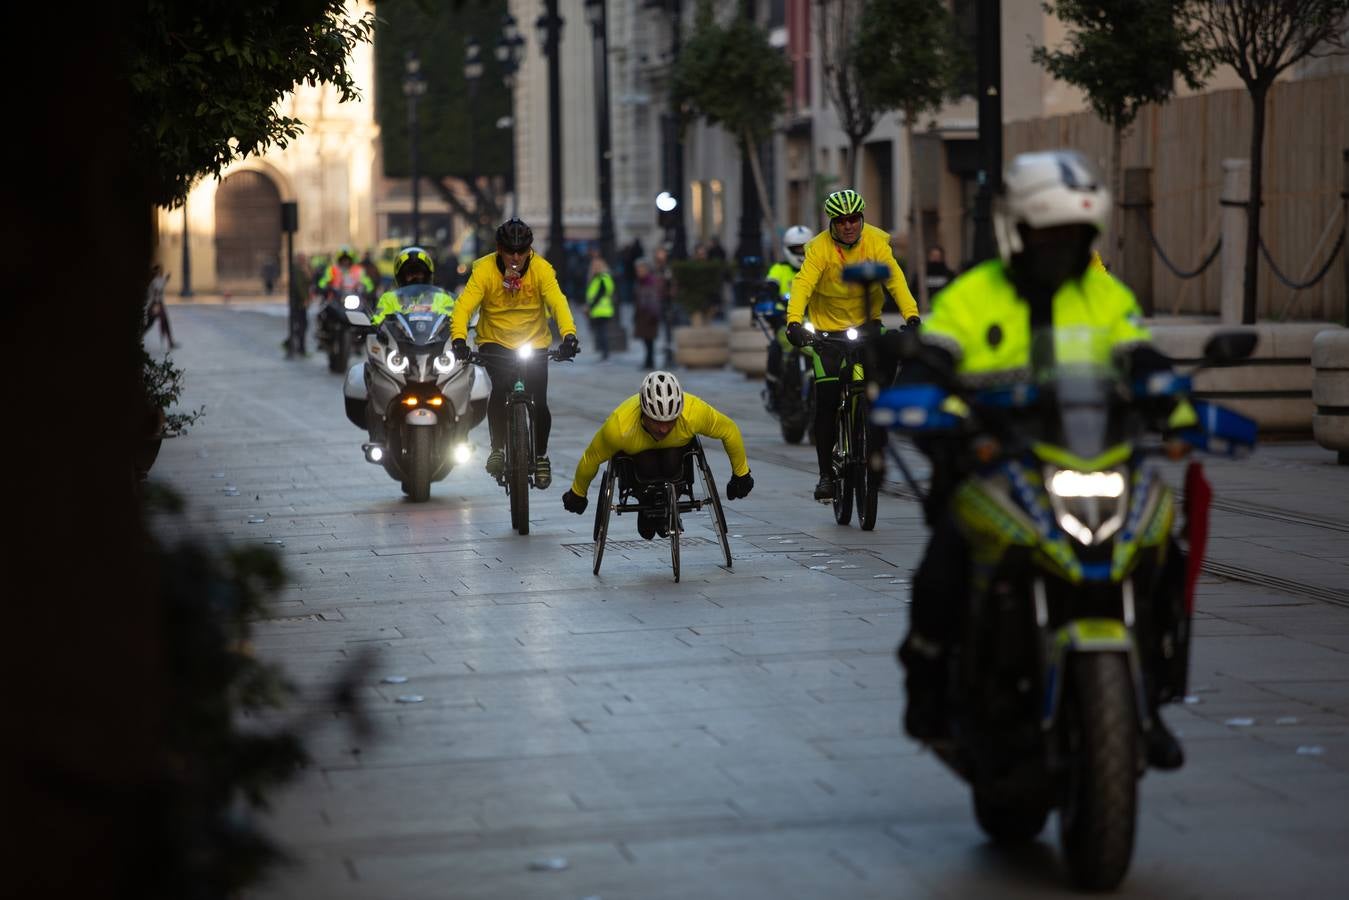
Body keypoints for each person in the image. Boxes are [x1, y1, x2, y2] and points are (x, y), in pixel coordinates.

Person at [892, 149, 1184, 770]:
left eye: (1075, 234)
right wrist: (919, 397)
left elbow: (1140, 356)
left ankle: (1152, 697)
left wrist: (1178, 410)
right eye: (1048, 233)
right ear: (1015, 231)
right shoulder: (973, 295)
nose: (1061, 246)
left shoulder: (1104, 297)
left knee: (1164, 548)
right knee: (944, 562)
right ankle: (927, 692)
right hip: (996, 466)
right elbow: (931, 358)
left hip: (1095, 458)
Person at [784, 188, 920, 501]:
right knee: (827, 401)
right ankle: (826, 475)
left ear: (862, 218)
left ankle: (876, 452)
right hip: (828, 333)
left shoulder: (875, 241)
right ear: (832, 222)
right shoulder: (818, 248)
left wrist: (912, 317)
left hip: (867, 326)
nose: (848, 226)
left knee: (881, 387)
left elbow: (895, 280)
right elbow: (802, 284)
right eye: (841, 220)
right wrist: (794, 321)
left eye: (854, 219)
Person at [450, 218, 580, 490]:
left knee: (540, 402)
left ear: (529, 250)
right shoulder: (484, 270)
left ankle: (541, 456)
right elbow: (464, 307)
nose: (516, 257)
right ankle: (497, 448)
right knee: (499, 388)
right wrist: (459, 339)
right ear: (499, 249)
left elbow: (558, 303)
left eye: (522, 251)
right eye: (510, 251)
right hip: (494, 342)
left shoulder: (542, 270)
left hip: (532, 341)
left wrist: (569, 335)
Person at [561, 371, 754, 538]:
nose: (663, 428)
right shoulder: (620, 427)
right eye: (656, 421)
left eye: (670, 421)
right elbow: (592, 457)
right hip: (638, 465)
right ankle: (646, 503)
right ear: (644, 413)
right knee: (646, 462)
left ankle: (672, 501)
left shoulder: (694, 412)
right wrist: (578, 493)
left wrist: (741, 474)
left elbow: (729, 430)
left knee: (671, 459)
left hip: (676, 459)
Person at [762, 225, 812, 412]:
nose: (801, 252)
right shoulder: (779, 269)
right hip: (786, 323)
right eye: (796, 249)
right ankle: (773, 389)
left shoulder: (817, 268)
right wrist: (767, 293)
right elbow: (770, 285)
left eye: (804, 248)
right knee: (776, 349)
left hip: (814, 322)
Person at [370, 247, 455, 325]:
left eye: (419, 273)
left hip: (437, 341)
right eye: (410, 273)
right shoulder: (388, 299)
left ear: (427, 275)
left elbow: (455, 319)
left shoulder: (443, 298)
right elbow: (377, 321)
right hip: (398, 341)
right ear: (401, 276)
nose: (415, 277)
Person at [632, 258, 663, 369]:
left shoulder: (651, 281)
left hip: (650, 314)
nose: (638, 271)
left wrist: (654, 313)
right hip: (642, 314)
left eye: (640, 269)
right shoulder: (639, 282)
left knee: (650, 340)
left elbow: (654, 298)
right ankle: (648, 361)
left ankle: (650, 362)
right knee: (645, 339)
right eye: (637, 269)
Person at [585, 256, 616, 362]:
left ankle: (605, 354)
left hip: (601, 309)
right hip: (598, 310)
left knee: (602, 333)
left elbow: (600, 294)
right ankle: (603, 353)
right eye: (594, 266)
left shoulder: (602, 278)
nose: (595, 268)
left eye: (597, 266)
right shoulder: (597, 278)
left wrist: (591, 306)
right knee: (600, 333)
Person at [143, 264, 178, 349]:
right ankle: (171, 342)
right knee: (153, 323)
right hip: (156, 304)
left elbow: (163, 283)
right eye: (157, 271)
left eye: (160, 270)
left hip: (158, 304)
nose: (159, 272)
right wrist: (156, 305)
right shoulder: (154, 281)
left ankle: (171, 342)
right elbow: (157, 292)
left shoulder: (159, 280)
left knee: (160, 323)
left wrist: (167, 278)